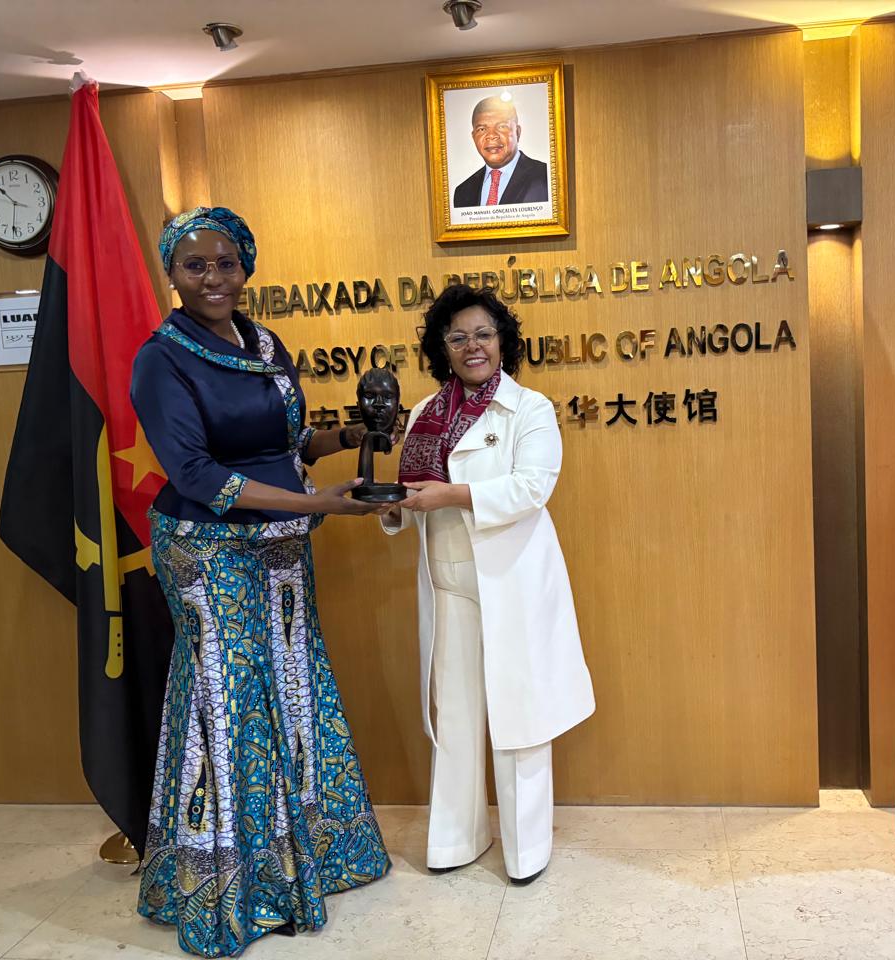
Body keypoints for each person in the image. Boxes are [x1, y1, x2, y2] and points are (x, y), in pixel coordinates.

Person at [131, 207, 391, 957]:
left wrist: (352, 436)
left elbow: (288, 442)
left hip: (280, 548)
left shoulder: (267, 343)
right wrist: (317, 505)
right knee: (229, 701)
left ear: (246, 267)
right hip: (208, 552)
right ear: (172, 274)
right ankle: (230, 889)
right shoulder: (161, 359)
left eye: (226, 263)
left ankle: (306, 861)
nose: (213, 278)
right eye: (195, 265)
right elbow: (196, 474)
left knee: (292, 687)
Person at [383, 283, 594, 884]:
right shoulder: (424, 414)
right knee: (454, 712)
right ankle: (457, 839)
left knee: (518, 711)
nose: (472, 346)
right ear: (441, 347)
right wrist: (392, 509)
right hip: (448, 581)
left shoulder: (529, 408)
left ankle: (527, 850)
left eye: (483, 334)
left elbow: (532, 487)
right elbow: (411, 492)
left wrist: (451, 495)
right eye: (457, 337)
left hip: (511, 581)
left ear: (502, 341)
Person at [452, 96, 550, 207]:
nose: (491, 135)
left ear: (517, 132)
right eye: (482, 129)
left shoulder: (546, 176)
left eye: (502, 126)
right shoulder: (462, 192)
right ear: (474, 137)